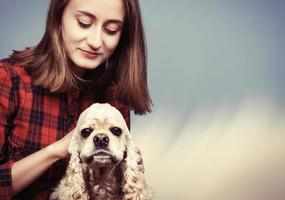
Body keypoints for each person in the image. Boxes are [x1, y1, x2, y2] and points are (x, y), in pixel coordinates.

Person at [0, 0, 152, 199]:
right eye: (84, 23)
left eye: (111, 30)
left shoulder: (114, 97)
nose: (96, 42)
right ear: (58, 18)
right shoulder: (8, 79)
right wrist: (57, 150)